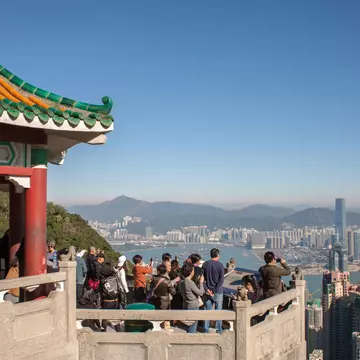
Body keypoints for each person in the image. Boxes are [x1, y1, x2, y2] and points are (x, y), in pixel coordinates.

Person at [202, 248, 224, 333]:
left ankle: (206, 329)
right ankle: (218, 329)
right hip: (218, 291)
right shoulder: (220, 265)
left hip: (208, 291)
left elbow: (202, 279)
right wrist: (214, 290)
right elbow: (221, 280)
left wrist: (207, 289)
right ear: (218, 255)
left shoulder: (205, 264)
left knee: (207, 311)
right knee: (218, 311)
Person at [179, 263, 205, 333]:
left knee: (189, 326)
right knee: (193, 326)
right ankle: (191, 341)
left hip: (186, 304)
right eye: (193, 270)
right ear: (190, 272)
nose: (194, 272)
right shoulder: (190, 282)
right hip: (193, 305)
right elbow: (200, 293)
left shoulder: (181, 282)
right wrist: (201, 282)